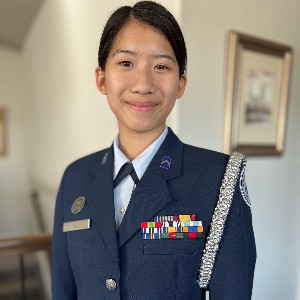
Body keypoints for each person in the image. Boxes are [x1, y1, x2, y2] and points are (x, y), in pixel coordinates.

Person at [51, 1, 256, 299]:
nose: (143, 84)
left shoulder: (217, 179)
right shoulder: (75, 177)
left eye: (161, 66)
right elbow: (63, 289)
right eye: (126, 63)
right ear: (101, 78)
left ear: (181, 84)